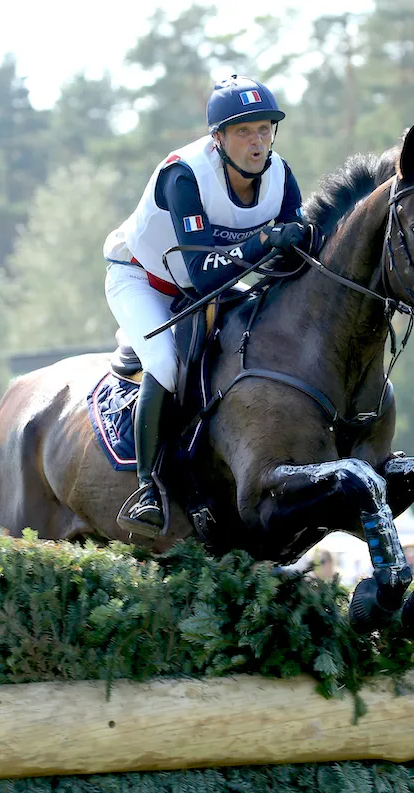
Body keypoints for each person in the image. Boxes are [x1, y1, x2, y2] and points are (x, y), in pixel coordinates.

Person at [103, 75, 323, 535]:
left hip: (206, 287)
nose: (257, 142)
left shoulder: (281, 176)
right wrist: (265, 240)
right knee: (164, 362)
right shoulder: (184, 176)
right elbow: (202, 273)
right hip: (143, 280)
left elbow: (294, 252)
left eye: (265, 129)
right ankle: (147, 489)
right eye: (244, 131)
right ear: (218, 138)